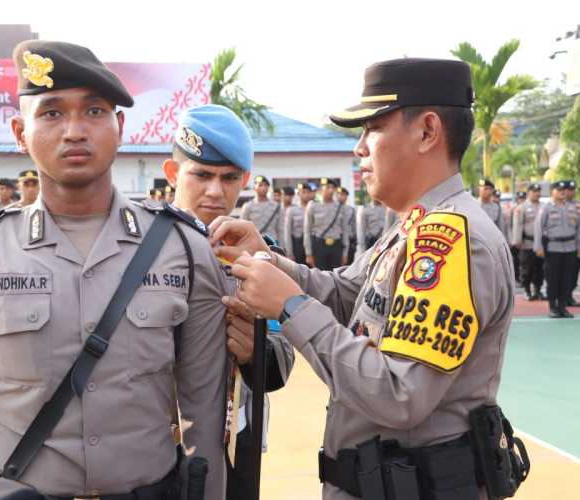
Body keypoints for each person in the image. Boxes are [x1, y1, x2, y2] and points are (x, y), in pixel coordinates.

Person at [0, 40, 228, 500]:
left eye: (94, 112)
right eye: (50, 114)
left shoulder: (182, 248)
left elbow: (205, 411)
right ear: (20, 133)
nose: (74, 131)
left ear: (119, 126)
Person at [210, 58, 527, 500]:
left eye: (372, 128)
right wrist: (269, 261)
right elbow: (351, 294)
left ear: (427, 131)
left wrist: (292, 307)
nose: (359, 148)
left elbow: (398, 394)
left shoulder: (453, 239)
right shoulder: (416, 223)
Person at [161, 103, 294, 500]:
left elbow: (283, 355)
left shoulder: (260, 257)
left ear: (245, 180)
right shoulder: (135, 253)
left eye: (229, 177)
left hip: (234, 441)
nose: (216, 191)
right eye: (201, 174)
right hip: (151, 440)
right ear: (173, 174)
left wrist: (257, 351)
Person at [534, 181, 579, 318]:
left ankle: (563, 306)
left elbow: (578, 229)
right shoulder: (546, 208)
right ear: (552, 191)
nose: (563, 192)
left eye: (564, 190)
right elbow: (538, 227)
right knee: (553, 279)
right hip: (553, 248)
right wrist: (538, 247)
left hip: (570, 248)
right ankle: (553, 307)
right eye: (559, 189)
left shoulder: (573, 208)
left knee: (567, 279)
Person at [303, 177, 348, 270]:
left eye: (332, 187)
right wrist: (308, 253)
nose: (330, 190)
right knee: (320, 276)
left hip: (336, 246)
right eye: (327, 187)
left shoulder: (340, 207)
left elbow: (345, 231)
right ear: (320, 190)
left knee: (336, 276)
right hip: (320, 245)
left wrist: (345, 253)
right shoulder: (312, 206)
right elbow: (307, 231)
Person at [512, 185, 544, 300]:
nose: (537, 194)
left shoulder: (543, 206)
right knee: (527, 268)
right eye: (535, 191)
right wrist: (517, 241)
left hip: (540, 243)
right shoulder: (522, 207)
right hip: (527, 243)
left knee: (539, 268)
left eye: (539, 191)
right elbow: (518, 225)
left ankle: (538, 290)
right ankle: (527, 290)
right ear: (529, 193)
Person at [240, 175, 281, 244]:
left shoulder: (276, 206)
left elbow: (280, 229)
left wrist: (283, 247)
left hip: (273, 242)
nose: (263, 188)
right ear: (255, 187)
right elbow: (242, 228)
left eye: (266, 185)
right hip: (254, 242)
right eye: (260, 185)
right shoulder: (248, 206)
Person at [283, 182, 315, 265]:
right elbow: (287, 232)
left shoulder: (316, 208)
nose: (306, 194)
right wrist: (289, 253)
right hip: (298, 246)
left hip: (314, 245)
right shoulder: (291, 210)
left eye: (308, 192)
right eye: (303, 192)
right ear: (298, 194)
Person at [566, 180, 579, 307]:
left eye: (573, 190)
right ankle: (566, 297)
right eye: (569, 190)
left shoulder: (577, 205)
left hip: (576, 244)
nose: (571, 192)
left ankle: (569, 295)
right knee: (568, 272)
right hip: (568, 245)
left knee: (574, 274)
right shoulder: (560, 205)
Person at [337, 187, 357, 263]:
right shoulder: (332, 208)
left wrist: (355, 240)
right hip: (337, 240)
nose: (341, 196)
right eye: (339, 194)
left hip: (349, 239)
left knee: (348, 263)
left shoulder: (351, 209)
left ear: (346, 197)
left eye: (343, 195)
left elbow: (354, 226)